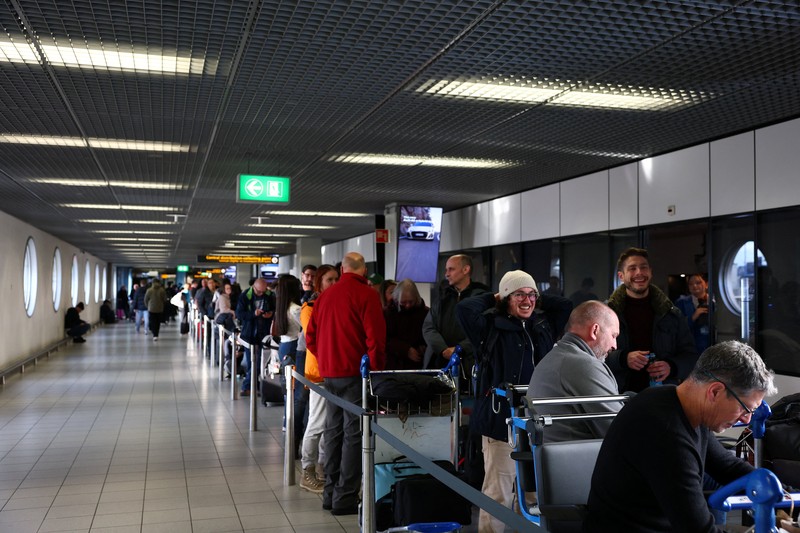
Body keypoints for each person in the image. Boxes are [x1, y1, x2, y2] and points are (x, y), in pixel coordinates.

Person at [584, 340, 777, 532]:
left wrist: (781, 492)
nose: (746, 419)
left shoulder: (680, 405)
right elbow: (699, 529)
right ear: (715, 391)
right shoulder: (666, 433)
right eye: (745, 409)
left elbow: (727, 466)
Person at [457, 270, 571, 533]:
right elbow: (464, 309)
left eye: (531, 295)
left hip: (537, 421)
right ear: (506, 298)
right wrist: (495, 297)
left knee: (533, 494)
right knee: (498, 492)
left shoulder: (542, 326)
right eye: (519, 294)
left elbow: (564, 305)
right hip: (500, 421)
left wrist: (534, 297)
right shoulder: (489, 327)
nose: (527, 300)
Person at [305, 252, 386, 515]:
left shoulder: (325, 296)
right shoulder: (367, 295)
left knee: (333, 430)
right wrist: (376, 372)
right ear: (363, 271)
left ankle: (329, 493)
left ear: (342, 269)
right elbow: (376, 339)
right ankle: (345, 498)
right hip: (355, 375)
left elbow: (311, 337)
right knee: (354, 434)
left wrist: (327, 359)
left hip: (330, 375)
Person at [528, 301, 624, 442]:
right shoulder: (584, 366)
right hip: (582, 461)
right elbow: (620, 431)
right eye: (613, 336)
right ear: (595, 331)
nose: (614, 345)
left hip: (560, 458)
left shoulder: (555, 357)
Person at [606, 247, 697, 393]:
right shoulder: (606, 314)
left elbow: (690, 355)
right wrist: (623, 359)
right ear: (621, 276)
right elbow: (593, 356)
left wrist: (671, 367)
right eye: (632, 268)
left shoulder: (671, 313)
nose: (639, 273)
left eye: (643, 267)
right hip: (619, 396)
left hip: (662, 395)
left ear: (651, 272)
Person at [299, 264, 339, 494]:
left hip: (336, 371)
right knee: (316, 423)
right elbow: (317, 338)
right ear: (319, 283)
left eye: (336, 279)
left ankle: (323, 467)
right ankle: (307, 470)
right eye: (329, 280)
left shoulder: (335, 304)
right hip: (319, 372)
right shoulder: (309, 308)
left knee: (329, 424)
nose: (334, 284)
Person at [422, 254, 489, 373]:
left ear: (465, 270)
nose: (446, 274)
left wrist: (460, 349)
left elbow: (484, 330)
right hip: (439, 363)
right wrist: (443, 350)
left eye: (451, 269)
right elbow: (428, 327)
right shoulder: (442, 298)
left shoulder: (481, 298)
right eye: (446, 270)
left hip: (469, 363)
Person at [273, 275, 307, 447]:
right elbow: (308, 329)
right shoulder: (296, 309)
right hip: (294, 347)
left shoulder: (281, 307)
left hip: (284, 346)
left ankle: (287, 423)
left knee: (289, 389)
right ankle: (293, 427)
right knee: (297, 392)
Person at [236, 278, 275, 396]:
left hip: (265, 333)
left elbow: (275, 308)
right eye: (259, 292)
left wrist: (271, 314)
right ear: (254, 287)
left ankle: (255, 386)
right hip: (250, 334)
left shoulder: (270, 295)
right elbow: (239, 314)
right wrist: (253, 314)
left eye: (263, 291)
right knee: (253, 362)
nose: (261, 294)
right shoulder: (245, 296)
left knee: (263, 363)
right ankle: (248, 386)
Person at [384, 279, 428, 370]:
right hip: (395, 364)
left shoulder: (425, 313)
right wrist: (405, 350)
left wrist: (423, 348)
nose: (407, 305)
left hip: (419, 364)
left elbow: (428, 335)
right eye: (403, 302)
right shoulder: (388, 314)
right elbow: (385, 339)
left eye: (411, 302)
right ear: (396, 299)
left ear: (416, 298)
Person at [676, 273, 713, 353]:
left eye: (698, 283)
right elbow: (676, 327)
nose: (694, 286)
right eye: (691, 284)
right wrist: (692, 317)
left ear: (706, 284)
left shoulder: (715, 301)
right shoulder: (681, 303)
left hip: (712, 346)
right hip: (691, 349)